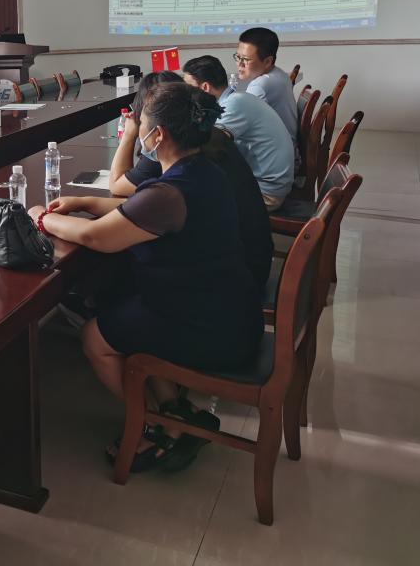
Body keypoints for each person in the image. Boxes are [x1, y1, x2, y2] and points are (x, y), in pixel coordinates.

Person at [28, 84, 263, 471]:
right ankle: (173, 410)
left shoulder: (170, 193)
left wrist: (41, 218)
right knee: (119, 303)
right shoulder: (201, 169)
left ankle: (157, 424)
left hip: (211, 329)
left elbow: (96, 237)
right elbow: (139, 207)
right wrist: (84, 201)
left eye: (142, 125)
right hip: (230, 308)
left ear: (158, 135)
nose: (139, 133)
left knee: (95, 338)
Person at [110, 71, 273, 290]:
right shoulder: (203, 137)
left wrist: (129, 134)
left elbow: (117, 187)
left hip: (232, 281)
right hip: (249, 261)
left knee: (126, 262)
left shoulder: (172, 148)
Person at [182, 55, 294, 211]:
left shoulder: (234, 105)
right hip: (270, 184)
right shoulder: (236, 98)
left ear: (205, 87)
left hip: (266, 194)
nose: (186, 95)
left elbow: (211, 147)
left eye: (188, 88)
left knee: (188, 198)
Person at [234, 27, 297, 144]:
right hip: (284, 145)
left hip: (273, 151)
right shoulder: (279, 73)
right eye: (238, 57)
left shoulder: (260, 85)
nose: (240, 64)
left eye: (246, 59)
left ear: (267, 61)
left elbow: (239, 123)